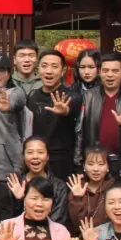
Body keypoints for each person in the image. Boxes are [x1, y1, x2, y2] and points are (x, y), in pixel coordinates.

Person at [74, 53, 121, 182]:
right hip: (95, 164)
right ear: (99, 72)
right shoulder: (87, 97)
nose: (110, 75)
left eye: (115, 71)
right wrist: (78, 164)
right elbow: (79, 132)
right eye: (105, 70)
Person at [25, 49, 80, 182]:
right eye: (44, 66)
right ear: (38, 69)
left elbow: (73, 113)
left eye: (54, 66)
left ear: (62, 71)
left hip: (62, 162)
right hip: (36, 160)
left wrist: (66, 111)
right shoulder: (32, 96)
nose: (48, 71)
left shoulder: (72, 96)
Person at [12, 137, 70, 226]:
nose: (35, 156)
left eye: (40, 152)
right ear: (23, 156)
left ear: (47, 156)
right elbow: (9, 219)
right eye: (30, 152)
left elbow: (59, 219)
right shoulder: (16, 183)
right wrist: (19, 200)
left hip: (50, 232)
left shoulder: (58, 186)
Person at [67, 146, 114, 235]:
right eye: (91, 164)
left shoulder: (114, 189)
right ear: (84, 166)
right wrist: (77, 198)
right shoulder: (77, 187)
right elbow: (76, 224)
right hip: (81, 239)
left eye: (101, 164)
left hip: (107, 238)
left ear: (108, 167)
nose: (96, 169)